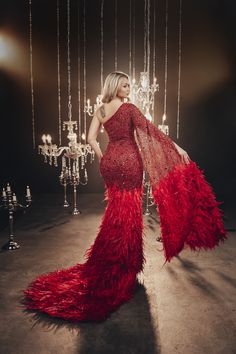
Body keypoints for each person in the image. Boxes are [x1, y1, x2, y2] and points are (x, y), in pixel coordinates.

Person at [22, 71, 227, 322]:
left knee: (116, 210)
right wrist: (177, 147)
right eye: (125, 85)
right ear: (115, 86)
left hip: (110, 161)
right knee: (128, 211)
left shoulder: (100, 110)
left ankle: (116, 260)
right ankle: (123, 265)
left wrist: (102, 157)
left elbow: (90, 139)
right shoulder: (129, 108)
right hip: (130, 162)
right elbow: (151, 132)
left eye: (129, 85)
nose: (129, 88)